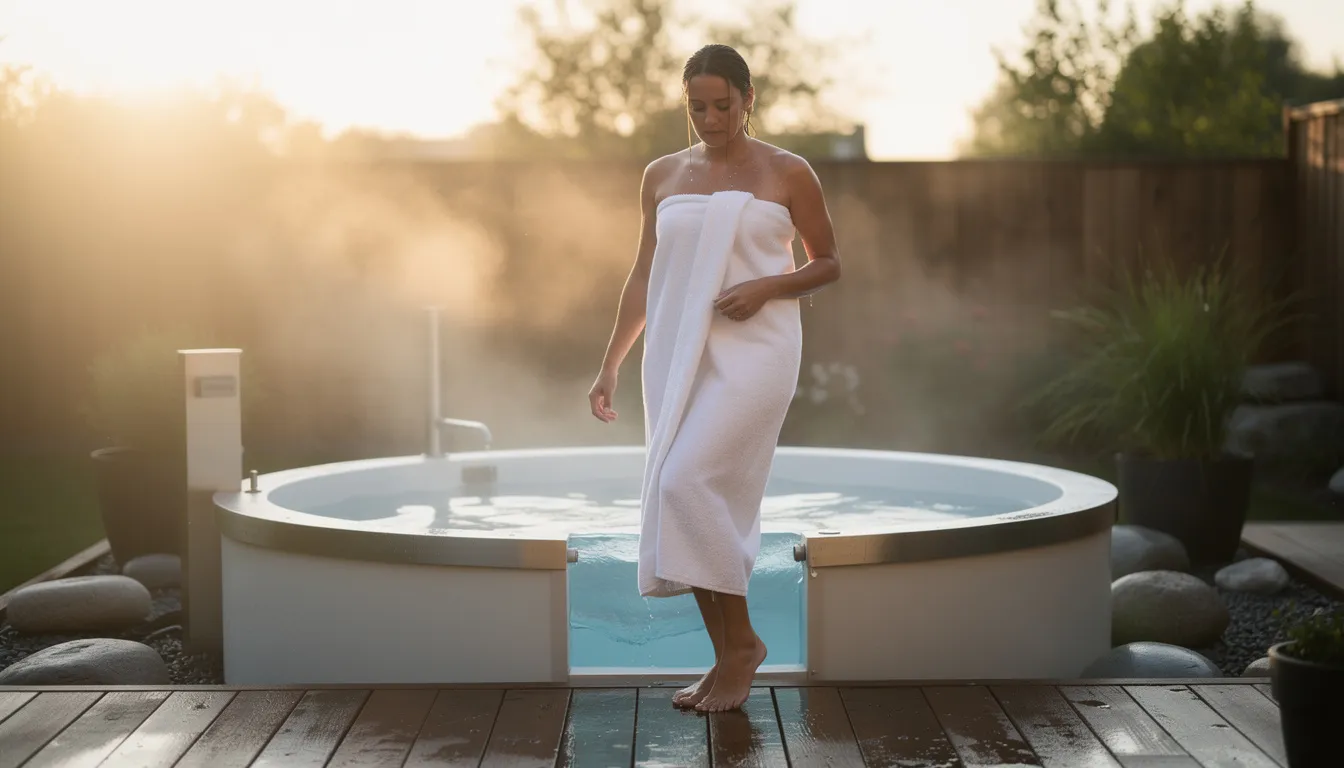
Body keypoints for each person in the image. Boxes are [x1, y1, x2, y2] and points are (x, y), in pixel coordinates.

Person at [587, 43, 841, 713]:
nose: (710, 119)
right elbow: (644, 275)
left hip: (757, 352)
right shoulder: (663, 174)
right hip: (679, 353)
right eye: (697, 107)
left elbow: (828, 263)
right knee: (681, 493)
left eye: (723, 105)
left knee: (685, 482)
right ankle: (730, 653)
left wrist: (766, 287)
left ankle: (741, 647)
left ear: (748, 99)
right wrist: (611, 363)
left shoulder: (789, 171)